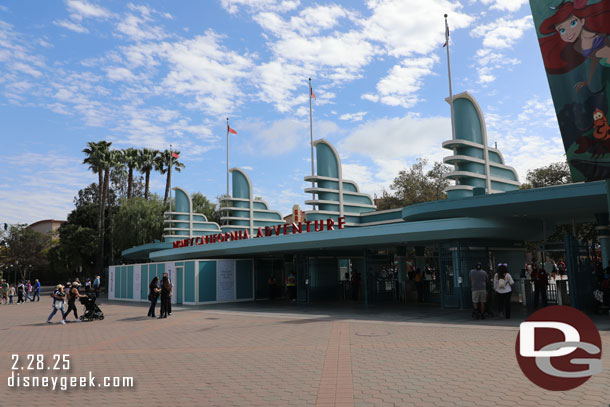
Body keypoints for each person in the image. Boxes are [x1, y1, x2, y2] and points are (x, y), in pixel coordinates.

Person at [539, 0, 610, 91]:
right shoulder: (578, 47)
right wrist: (588, 81)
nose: (568, 33)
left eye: (573, 23)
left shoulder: (598, 34)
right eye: (562, 30)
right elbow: (594, 60)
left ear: (582, 21)